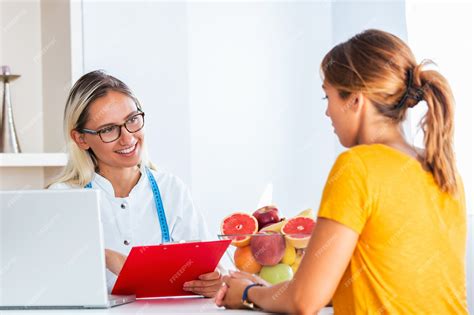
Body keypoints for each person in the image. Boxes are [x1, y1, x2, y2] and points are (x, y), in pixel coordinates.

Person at [215, 29, 467, 313]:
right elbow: (374, 284)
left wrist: (248, 293)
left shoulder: (357, 166)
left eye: (328, 98)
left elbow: (304, 301)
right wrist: (268, 291)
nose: (327, 113)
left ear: (356, 100)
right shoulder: (442, 169)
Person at [49, 70, 223, 297]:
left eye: (132, 120)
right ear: (81, 139)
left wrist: (215, 280)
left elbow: (208, 268)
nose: (128, 138)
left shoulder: (171, 190)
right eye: (108, 129)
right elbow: (53, 283)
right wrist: (106, 257)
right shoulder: (64, 198)